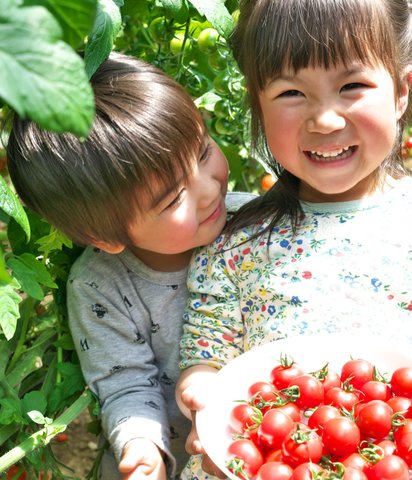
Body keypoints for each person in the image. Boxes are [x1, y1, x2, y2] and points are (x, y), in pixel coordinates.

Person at [176, 0, 412, 479]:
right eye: (292, 92)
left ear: (401, 92)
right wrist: (202, 395)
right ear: (257, 105)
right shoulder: (233, 237)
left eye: (352, 86)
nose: (325, 120)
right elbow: (206, 352)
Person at [6, 52, 253, 480]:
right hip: (181, 457)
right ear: (108, 238)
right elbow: (125, 383)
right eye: (173, 198)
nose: (209, 188)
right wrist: (142, 448)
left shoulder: (259, 225)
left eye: (203, 151)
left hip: (275, 444)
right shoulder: (99, 286)